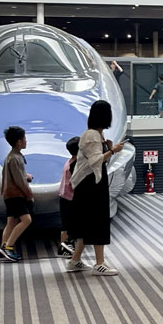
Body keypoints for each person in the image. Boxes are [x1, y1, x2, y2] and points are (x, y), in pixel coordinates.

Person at [68, 100, 125, 276]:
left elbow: (98, 160)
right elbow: (95, 161)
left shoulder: (96, 134)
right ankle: (99, 263)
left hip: (89, 183)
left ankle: (75, 260)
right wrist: (113, 151)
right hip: (90, 184)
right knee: (98, 221)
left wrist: (108, 148)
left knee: (87, 223)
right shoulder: (92, 135)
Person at [0, 126, 33, 263]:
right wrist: (29, 194)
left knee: (11, 222)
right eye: (24, 138)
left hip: (8, 194)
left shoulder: (10, 157)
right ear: (19, 142)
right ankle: (9, 246)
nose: (26, 141)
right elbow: (19, 181)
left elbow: (15, 175)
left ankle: (2, 249)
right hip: (16, 195)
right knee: (26, 220)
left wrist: (25, 176)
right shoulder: (16, 158)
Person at [57, 136, 79, 258]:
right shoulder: (75, 164)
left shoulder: (69, 161)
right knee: (71, 224)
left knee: (65, 224)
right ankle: (66, 246)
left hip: (64, 196)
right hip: (71, 198)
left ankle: (64, 246)